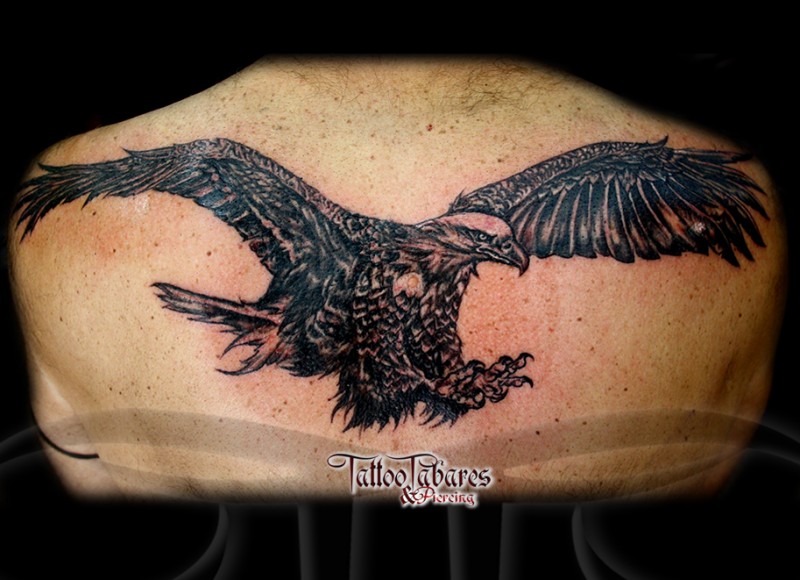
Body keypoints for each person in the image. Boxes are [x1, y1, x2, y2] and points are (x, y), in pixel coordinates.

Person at [7, 55, 788, 501]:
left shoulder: (60, 245)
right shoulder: (298, 210)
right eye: (486, 245)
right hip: (308, 334)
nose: (507, 254)